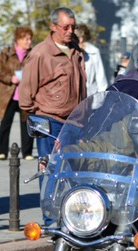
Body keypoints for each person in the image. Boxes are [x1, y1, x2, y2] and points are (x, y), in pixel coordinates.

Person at [19, 7, 86, 165]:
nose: (70, 31)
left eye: (73, 27)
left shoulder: (76, 51)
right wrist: (42, 111)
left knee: (71, 171)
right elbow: (25, 95)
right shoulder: (40, 53)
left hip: (73, 121)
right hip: (49, 121)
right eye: (65, 27)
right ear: (53, 26)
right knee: (50, 171)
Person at [0, 26, 34, 160]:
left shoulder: (33, 54)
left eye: (30, 39)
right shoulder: (6, 52)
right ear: (19, 39)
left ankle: (27, 152)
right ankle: (2, 151)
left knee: (27, 124)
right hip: (8, 94)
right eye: (26, 39)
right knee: (5, 123)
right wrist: (10, 78)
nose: (29, 42)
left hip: (26, 95)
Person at [74, 24, 108, 96]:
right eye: (77, 37)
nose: (80, 40)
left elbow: (100, 76)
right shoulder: (69, 52)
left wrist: (102, 98)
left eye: (82, 37)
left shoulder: (93, 52)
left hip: (90, 97)